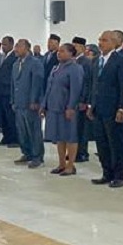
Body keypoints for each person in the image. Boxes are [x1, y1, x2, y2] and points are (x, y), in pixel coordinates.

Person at [89, 31, 123, 188]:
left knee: (116, 143)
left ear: (114, 43)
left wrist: (122, 108)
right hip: (98, 108)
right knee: (102, 143)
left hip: (113, 108)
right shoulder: (96, 61)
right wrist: (90, 105)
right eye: (100, 40)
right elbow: (93, 85)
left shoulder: (121, 60)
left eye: (105, 40)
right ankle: (106, 173)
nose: (101, 43)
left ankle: (119, 175)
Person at [42, 43, 83, 175]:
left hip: (66, 108)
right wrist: (44, 105)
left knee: (70, 136)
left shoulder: (75, 68)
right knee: (59, 136)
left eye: (63, 51)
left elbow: (76, 90)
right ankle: (61, 164)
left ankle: (70, 165)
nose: (59, 53)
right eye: (59, 51)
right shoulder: (55, 68)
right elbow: (48, 88)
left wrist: (71, 107)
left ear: (71, 53)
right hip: (54, 107)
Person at [11, 39, 46, 168]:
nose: (16, 49)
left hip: (30, 103)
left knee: (34, 130)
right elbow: (13, 84)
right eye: (16, 46)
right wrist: (13, 100)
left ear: (27, 48)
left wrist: (35, 100)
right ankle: (27, 153)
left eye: (19, 46)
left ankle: (37, 156)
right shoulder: (16, 64)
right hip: (19, 103)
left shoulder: (35, 63)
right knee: (22, 131)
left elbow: (37, 83)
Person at [0, 36, 19, 147]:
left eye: (5, 44)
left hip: (8, 91)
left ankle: (14, 138)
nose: (3, 47)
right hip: (0, 91)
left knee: (10, 116)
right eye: (2, 44)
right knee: (2, 116)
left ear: (11, 45)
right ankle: (6, 136)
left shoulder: (15, 57)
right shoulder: (0, 57)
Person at [72, 37, 93, 163]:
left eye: (76, 46)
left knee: (82, 128)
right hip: (73, 100)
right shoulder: (73, 61)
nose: (74, 48)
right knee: (74, 128)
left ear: (83, 48)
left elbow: (87, 83)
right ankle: (74, 152)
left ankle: (82, 153)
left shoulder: (86, 62)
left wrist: (84, 100)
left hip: (82, 100)